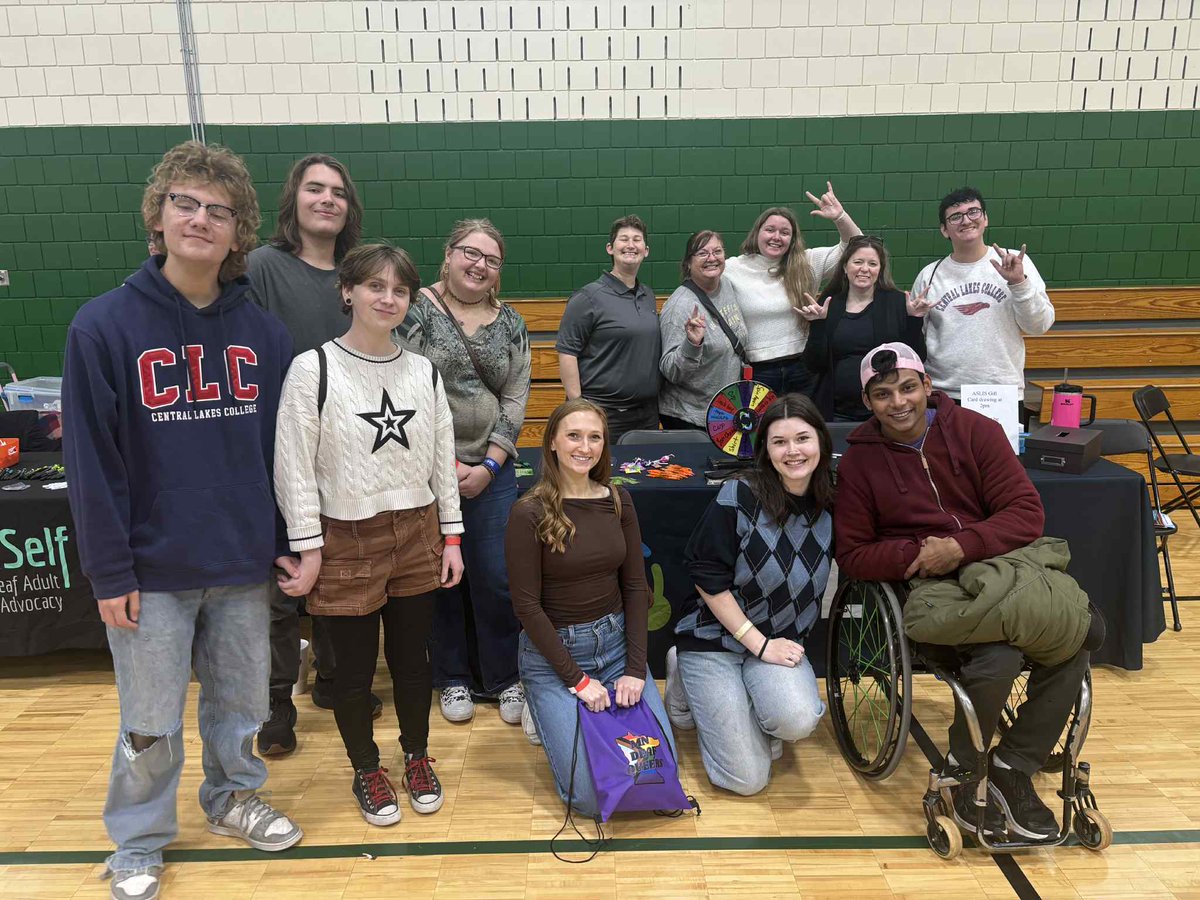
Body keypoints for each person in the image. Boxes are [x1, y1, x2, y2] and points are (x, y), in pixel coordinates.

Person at [62, 142, 302, 900]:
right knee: (149, 721)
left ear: (239, 232)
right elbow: (91, 465)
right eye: (185, 204)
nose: (201, 219)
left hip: (239, 564)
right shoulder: (102, 327)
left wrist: (290, 544)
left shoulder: (263, 334)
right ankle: (138, 841)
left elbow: (283, 456)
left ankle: (232, 798)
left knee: (241, 706)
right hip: (150, 573)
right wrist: (108, 569)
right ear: (157, 219)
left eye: (219, 210)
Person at [835, 342, 1090, 841]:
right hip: (929, 586)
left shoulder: (978, 432)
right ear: (868, 402)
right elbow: (853, 554)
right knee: (996, 658)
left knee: (1071, 645)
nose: (898, 402)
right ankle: (964, 768)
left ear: (928, 386)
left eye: (908, 388)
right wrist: (922, 555)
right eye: (883, 394)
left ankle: (1013, 768)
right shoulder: (859, 463)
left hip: (999, 565)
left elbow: (1024, 512)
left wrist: (962, 545)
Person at [274, 243, 465, 826]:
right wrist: (307, 547)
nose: (388, 298)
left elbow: (442, 461)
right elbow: (293, 466)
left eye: (400, 290)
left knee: (413, 662)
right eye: (375, 286)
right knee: (352, 673)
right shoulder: (314, 369)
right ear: (348, 292)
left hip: (417, 533)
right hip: (343, 539)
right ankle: (366, 767)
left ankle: (417, 757)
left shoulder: (423, 371)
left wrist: (451, 536)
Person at [246, 153, 379, 757]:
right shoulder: (262, 268)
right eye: (314, 189)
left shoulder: (358, 276)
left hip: (347, 451)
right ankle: (277, 705)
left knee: (338, 571)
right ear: (293, 200)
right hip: (277, 448)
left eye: (338, 191)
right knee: (282, 585)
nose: (327, 199)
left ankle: (330, 679)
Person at [504, 398, 676, 819]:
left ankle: (574, 714)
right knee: (589, 797)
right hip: (555, 659)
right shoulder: (528, 512)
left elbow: (636, 587)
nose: (585, 446)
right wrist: (578, 682)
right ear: (553, 444)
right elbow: (526, 607)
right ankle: (544, 709)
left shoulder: (617, 500)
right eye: (574, 436)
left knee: (653, 773)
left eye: (594, 437)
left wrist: (636, 670)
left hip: (616, 649)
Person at [396, 219, 531, 726]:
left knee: (497, 577)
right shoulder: (418, 313)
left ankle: (503, 677)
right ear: (449, 255)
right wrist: (446, 465)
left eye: (492, 260)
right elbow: (402, 387)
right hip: (428, 472)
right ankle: (451, 678)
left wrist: (492, 462)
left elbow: (517, 395)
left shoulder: (510, 322)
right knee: (441, 576)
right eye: (470, 254)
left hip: (492, 474)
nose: (479, 265)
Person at [664, 395, 832, 795]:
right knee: (747, 780)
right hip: (714, 639)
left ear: (821, 442)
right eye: (779, 442)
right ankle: (681, 677)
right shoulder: (740, 494)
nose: (793, 451)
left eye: (802, 438)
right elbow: (707, 578)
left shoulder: (833, 499)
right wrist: (758, 645)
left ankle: (746, 706)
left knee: (794, 719)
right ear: (765, 450)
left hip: (779, 641)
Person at [910, 187, 1055, 400]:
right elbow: (916, 338)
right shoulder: (929, 275)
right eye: (955, 217)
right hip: (945, 393)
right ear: (944, 230)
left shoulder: (1016, 262)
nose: (966, 220)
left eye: (973, 212)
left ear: (985, 218)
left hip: (1001, 392)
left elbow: (1038, 326)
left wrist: (1018, 283)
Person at [722, 186, 863, 398]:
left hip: (803, 367)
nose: (776, 237)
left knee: (802, 427)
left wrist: (840, 217)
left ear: (793, 239)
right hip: (758, 371)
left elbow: (856, 246)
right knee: (762, 430)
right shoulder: (733, 268)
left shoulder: (807, 262)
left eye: (785, 232)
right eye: (770, 230)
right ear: (757, 232)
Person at [800, 235, 930, 421]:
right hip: (837, 411)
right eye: (858, 262)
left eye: (872, 264)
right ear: (845, 267)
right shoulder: (830, 304)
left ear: (880, 269)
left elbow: (918, 358)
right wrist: (818, 324)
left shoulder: (897, 302)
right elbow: (813, 364)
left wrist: (914, 320)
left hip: (887, 412)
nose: (864, 269)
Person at [556, 215, 660, 444]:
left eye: (637, 239)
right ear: (610, 248)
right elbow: (567, 353)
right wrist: (580, 409)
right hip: (603, 415)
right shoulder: (588, 297)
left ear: (646, 250)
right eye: (624, 239)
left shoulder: (648, 296)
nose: (631, 245)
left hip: (647, 415)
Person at [658, 230, 750, 431]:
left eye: (717, 251)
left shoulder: (726, 285)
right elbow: (670, 370)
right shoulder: (679, 307)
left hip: (725, 412)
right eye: (702, 253)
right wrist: (692, 345)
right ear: (688, 263)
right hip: (690, 417)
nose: (712, 258)